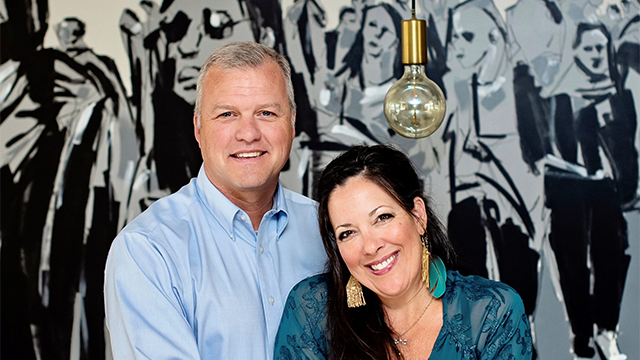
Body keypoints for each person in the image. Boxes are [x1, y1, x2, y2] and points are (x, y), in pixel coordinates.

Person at [104, 41, 328, 359]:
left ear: (291, 123)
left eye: (266, 112)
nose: (248, 133)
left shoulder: (330, 230)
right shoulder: (148, 250)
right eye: (227, 114)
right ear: (198, 128)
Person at [274, 144, 533, 359]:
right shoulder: (311, 310)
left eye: (382, 217)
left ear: (418, 215)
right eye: (348, 233)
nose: (371, 246)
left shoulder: (492, 311)